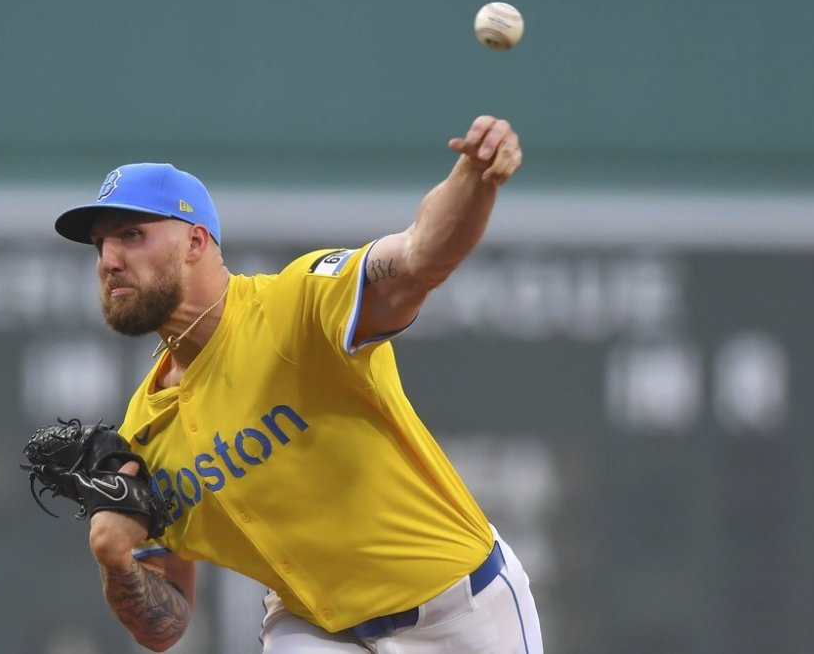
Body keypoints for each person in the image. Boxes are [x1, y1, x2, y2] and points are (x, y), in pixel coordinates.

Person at [53, 115, 542, 653]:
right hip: (314, 630)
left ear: (195, 242)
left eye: (132, 235)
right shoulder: (144, 435)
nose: (109, 261)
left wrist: (474, 180)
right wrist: (115, 558)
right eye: (100, 244)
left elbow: (419, 256)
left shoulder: (294, 309)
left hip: (457, 612)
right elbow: (164, 629)